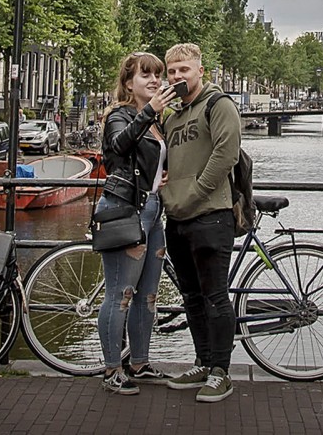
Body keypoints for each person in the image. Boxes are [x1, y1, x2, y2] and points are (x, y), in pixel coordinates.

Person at [161, 43, 242, 403]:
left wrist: (196, 191)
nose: (178, 76)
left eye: (184, 70)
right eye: (172, 71)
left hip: (211, 214)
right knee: (191, 296)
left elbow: (227, 153)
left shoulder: (218, 105)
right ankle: (203, 361)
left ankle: (221, 371)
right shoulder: (172, 115)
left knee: (215, 297)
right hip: (177, 216)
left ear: (200, 71)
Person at [95, 51, 178, 395]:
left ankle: (139, 364)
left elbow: (150, 161)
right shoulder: (119, 115)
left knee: (147, 295)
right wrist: (149, 111)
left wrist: (164, 173)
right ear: (129, 84)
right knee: (120, 294)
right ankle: (113, 368)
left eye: (158, 74)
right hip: (125, 210)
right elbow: (118, 144)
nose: (155, 80)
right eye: (146, 75)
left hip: (152, 209)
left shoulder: (156, 122)